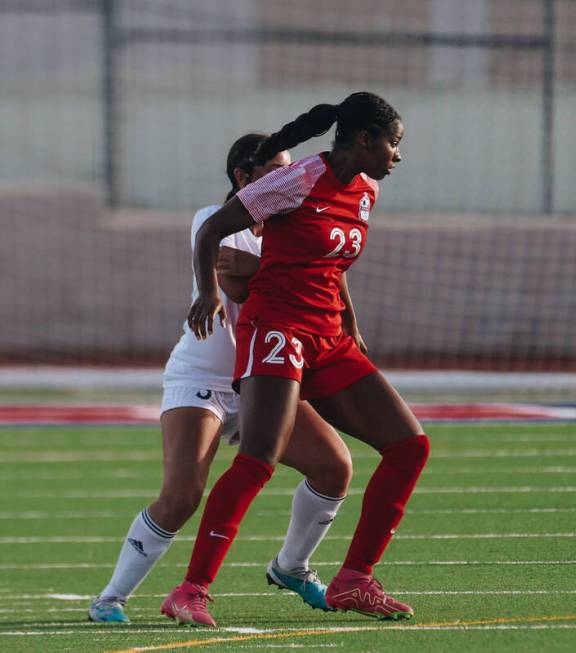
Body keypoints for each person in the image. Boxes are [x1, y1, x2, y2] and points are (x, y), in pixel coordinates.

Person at [161, 92, 429, 626]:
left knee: (409, 447)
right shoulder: (298, 179)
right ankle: (190, 590)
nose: (397, 155)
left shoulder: (367, 189)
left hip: (328, 335)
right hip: (277, 329)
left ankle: (355, 580)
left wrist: (350, 321)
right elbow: (214, 228)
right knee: (259, 459)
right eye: (393, 143)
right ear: (362, 139)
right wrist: (208, 292)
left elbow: (334, 262)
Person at [88, 134, 355, 623]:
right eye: (275, 169)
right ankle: (110, 599)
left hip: (267, 379)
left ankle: (292, 566)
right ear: (243, 177)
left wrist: (285, 273)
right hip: (204, 378)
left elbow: (324, 276)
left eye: (291, 169)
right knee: (182, 494)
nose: (289, 179)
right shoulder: (217, 218)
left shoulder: (295, 224)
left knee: (335, 467)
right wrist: (290, 272)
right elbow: (236, 282)